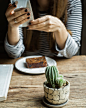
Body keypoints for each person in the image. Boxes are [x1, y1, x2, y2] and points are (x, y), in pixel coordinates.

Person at [4, 0, 82, 58]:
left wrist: (60, 28)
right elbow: (13, 53)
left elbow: (71, 52)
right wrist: (13, 26)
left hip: (59, 67)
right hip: (25, 67)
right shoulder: (19, 2)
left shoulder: (73, 2)